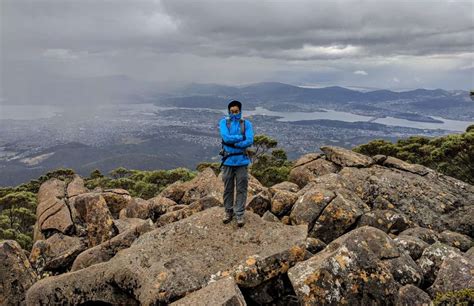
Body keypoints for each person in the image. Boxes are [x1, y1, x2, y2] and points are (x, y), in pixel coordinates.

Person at [219, 100, 254, 227]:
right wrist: (240, 138)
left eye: (236, 111)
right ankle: (228, 212)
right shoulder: (224, 123)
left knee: (241, 188)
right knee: (228, 188)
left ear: (240, 111)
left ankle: (239, 214)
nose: (234, 113)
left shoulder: (247, 124)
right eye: (232, 111)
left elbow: (249, 140)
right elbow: (225, 138)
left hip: (242, 161)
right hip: (228, 161)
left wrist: (233, 143)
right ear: (229, 112)